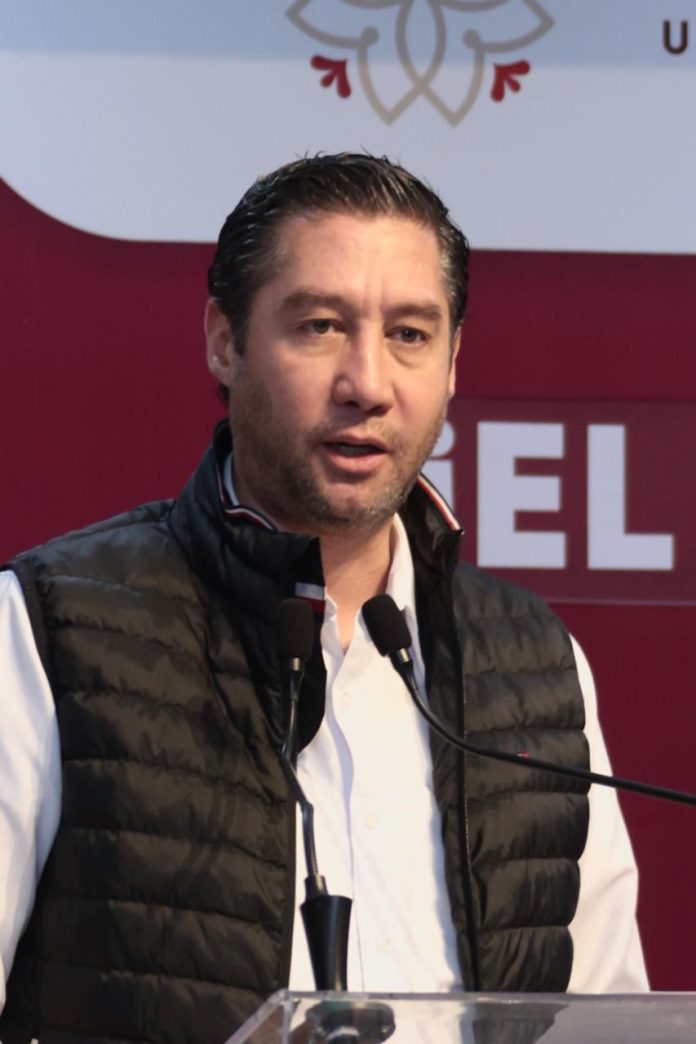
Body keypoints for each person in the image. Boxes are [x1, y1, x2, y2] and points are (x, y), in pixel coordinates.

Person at [0, 153, 646, 1044]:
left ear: (453, 362)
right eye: (320, 326)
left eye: (410, 334)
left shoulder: (536, 666)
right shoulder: (44, 632)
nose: (368, 384)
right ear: (225, 341)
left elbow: (607, 1021)